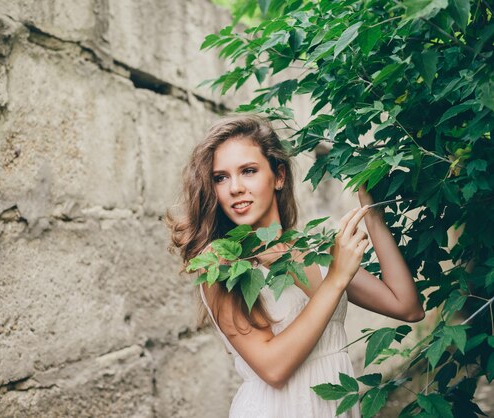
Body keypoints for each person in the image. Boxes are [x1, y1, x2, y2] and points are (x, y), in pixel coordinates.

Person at [164, 113, 425, 417]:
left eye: (248, 171)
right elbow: (273, 368)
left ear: (279, 176)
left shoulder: (316, 248)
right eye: (220, 177)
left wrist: (372, 212)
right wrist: (337, 278)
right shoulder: (221, 264)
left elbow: (408, 307)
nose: (234, 187)